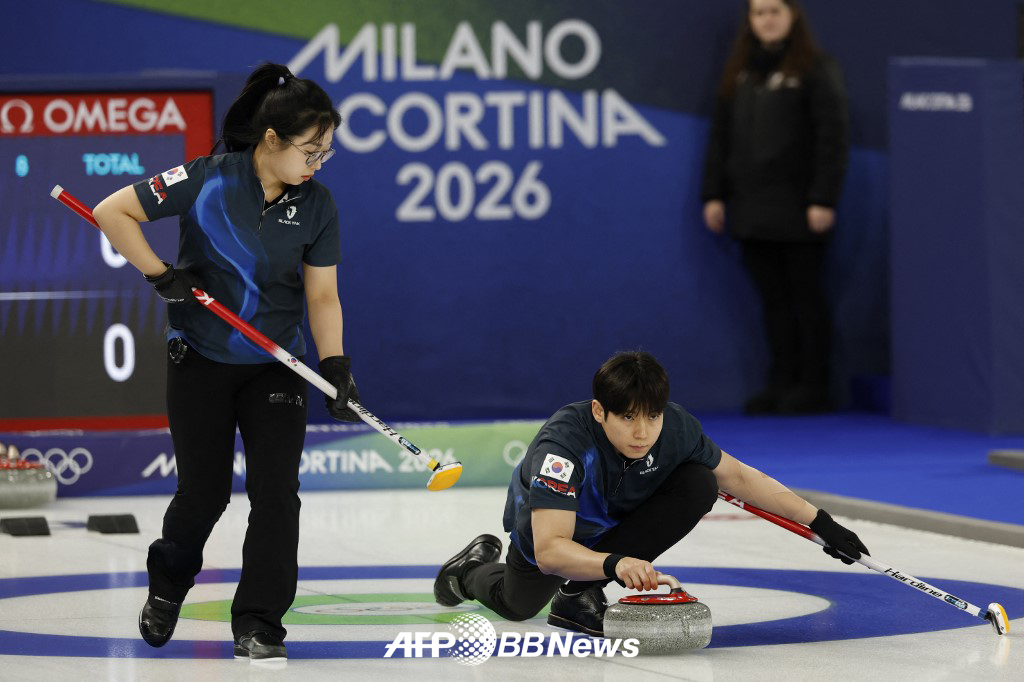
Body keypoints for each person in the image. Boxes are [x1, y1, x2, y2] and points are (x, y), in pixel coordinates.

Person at [92, 62, 360, 662]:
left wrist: (336, 365)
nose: (319, 163)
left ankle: (260, 622)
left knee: (276, 493)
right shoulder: (205, 178)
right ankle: (167, 586)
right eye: (310, 150)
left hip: (275, 364)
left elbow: (321, 295)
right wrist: (162, 276)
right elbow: (113, 211)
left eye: (327, 152)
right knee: (205, 493)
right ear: (272, 140)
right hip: (202, 358)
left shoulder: (317, 206)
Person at [434, 351, 868, 635]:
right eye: (627, 418)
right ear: (600, 411)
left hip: (617, 518)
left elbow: (739, 477)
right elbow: (550, 550)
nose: (642, 432)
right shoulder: (562, 449)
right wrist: (616, 562)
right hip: (553, 531)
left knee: (702, 480)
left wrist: (819, 521)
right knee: (517, 606)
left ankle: (577, 595)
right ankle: (468, 571)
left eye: (652, 417)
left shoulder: (676, 427)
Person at [701, 0, 849, 414]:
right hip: (751, 208)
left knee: (805, 296)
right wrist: (713, 193)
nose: (767, 20)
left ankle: (814, 383)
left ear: (793, 16)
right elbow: (720, 138)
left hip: (801, 208)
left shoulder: (815, 67)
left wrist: (823, 197)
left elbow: (832, 137)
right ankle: (782, 381)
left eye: (774, 11)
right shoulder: (740, 71)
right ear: (749, 20)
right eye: (759, 13)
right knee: (772, 301)